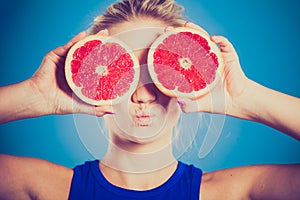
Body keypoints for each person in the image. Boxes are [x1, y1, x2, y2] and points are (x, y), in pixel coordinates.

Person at [0, 0, 300, 199]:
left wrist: (243, 96)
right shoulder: (45, 188)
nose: (143, 93)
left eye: (159, 70)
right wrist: (35, 96)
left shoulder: (229, 193)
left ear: (185, 80)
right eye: (124, 70)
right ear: (92, 82)